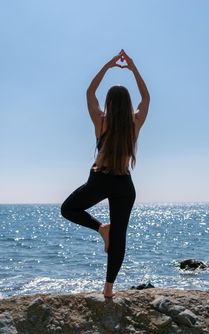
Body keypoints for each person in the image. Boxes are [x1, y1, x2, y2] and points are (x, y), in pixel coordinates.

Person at [61, 49, 150, 298]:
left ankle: (101, 229)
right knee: (119, 236)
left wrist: (109, 65)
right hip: (124, 184)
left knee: (68, 209)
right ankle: (108, 289)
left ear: (109, 103)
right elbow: (146, 97)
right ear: (128, 104)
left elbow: (90, 92)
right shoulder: (136, 122)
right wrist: (133, 68)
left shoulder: (101, 121)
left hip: (100, 180)